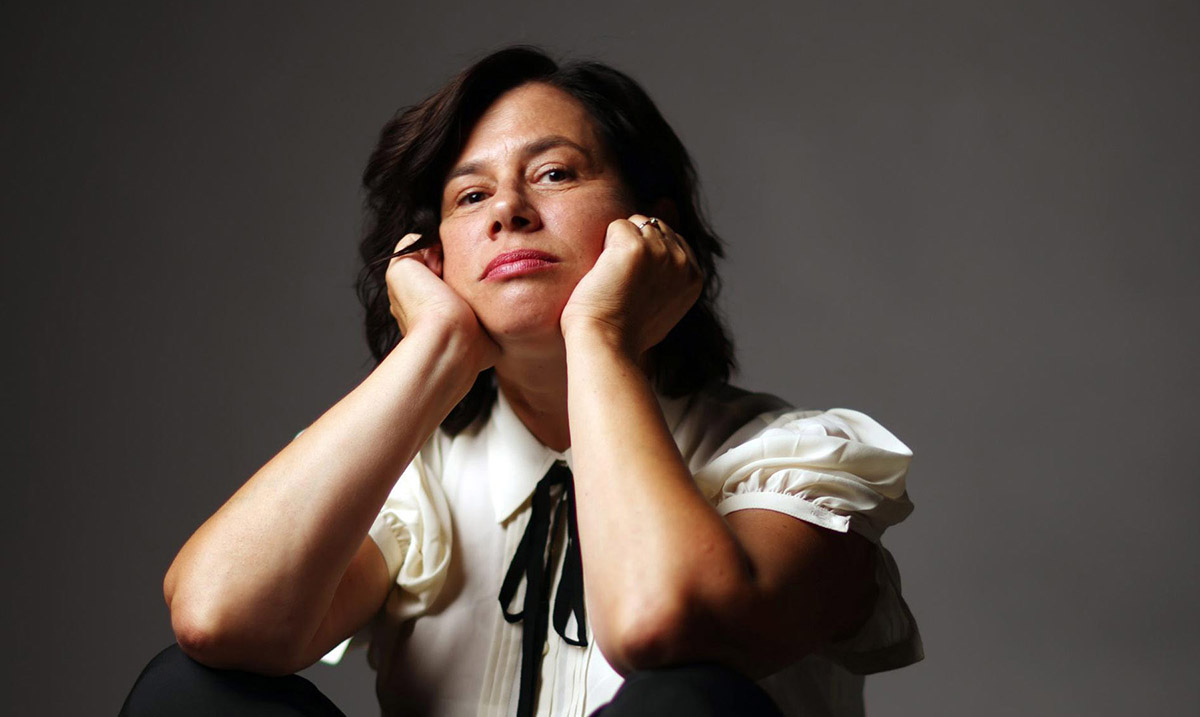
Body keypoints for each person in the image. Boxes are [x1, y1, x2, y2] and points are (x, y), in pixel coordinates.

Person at [122, 46, 921, 717]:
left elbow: (661, 623)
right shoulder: (416, 482)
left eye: (555, 173)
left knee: (686, 696)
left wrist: (601, 336)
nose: (508, 209)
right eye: (470, 195)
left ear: (654, 226)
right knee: (189, 691)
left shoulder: (794, 461)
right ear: (432, 255)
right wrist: (432, 351)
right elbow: (216, 615)